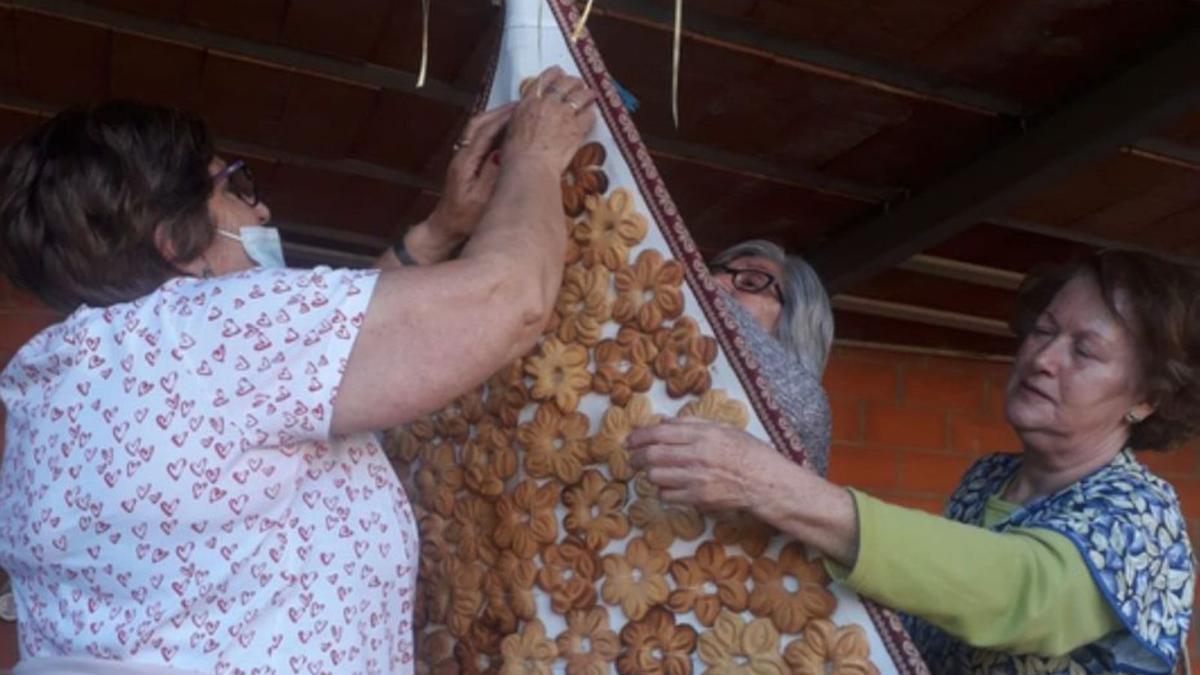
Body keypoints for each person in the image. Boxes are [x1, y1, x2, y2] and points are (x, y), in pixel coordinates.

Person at [0, 66, 595, 672]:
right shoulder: (201, 333)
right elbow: (509, 301)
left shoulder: (65, 382)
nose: (259, 210)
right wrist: (537, 159)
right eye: (232, 187)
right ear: (174, 243)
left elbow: (317, 368)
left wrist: (436, 236)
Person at [630, 250, 1197, 673]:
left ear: (1147, 397)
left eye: (1085, 350)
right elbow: (923, 611)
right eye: (1043, 331)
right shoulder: (989, 481)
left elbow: (1017, 591)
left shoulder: (1141, 515)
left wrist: (770, 484)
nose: (1043, 358)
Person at [707, 240, 834, 474]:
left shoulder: (806, 405)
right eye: (714, 273)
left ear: (793, 323)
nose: (715, 282)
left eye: (749, 282)